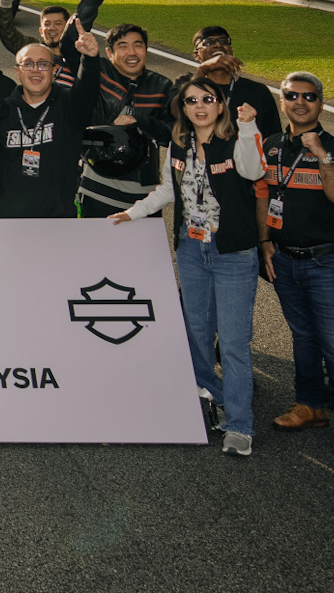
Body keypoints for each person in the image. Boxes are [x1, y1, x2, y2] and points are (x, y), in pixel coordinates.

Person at [107, 78, 266, 457]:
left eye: (207, 99)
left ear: (221, 104)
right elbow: (168, 189)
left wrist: (248, 128)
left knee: (233, 343)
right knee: (196, 334)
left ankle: (240, 424)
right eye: (191, 101)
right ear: (183, 108)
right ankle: (214, 397)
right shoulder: (179, 142)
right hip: (192, 250)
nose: (199, 106)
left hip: (232, 253)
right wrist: (133, 213)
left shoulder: (236, 138)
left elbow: (253, 171)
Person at [257, 71, 334, 461]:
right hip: (284, 258)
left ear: (320, 103)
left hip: (327, 260)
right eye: (292, 95)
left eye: (309, 96)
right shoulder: (269, 146)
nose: (300, 102)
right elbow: (263, 197)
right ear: (282, 101)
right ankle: (309, 405)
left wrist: (322, 155)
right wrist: (265, 241)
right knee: (302, 337)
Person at [0, 24, 102, 218]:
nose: (36, 70)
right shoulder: (2, 112)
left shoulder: (69, 106)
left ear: (54, 71)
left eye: (43, 64)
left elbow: (87, 92)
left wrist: (90, 59)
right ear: (17, 71)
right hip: (9, 218)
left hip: (58, 217)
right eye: (28, 64)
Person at [76, 16, 176, 219]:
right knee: (96, 240)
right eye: (123, 46)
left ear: (146, 50)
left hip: (145, 193)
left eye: (138, 45)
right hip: (98, 185)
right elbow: (74, 55)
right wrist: (91, 5)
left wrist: (140, 120)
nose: (131, 52)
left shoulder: (162, 85)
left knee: (146, 242)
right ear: (109, 53)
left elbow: (172, 134)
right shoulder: (99, 73)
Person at [191, 26, 281, 137]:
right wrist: (202, 70)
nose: (218, 45)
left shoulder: (258, 91)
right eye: (209, 42)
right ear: (196, 55)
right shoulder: (184, 86)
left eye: (224, 41)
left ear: (231, 50)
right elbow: (176, 112)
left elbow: (273, 138)